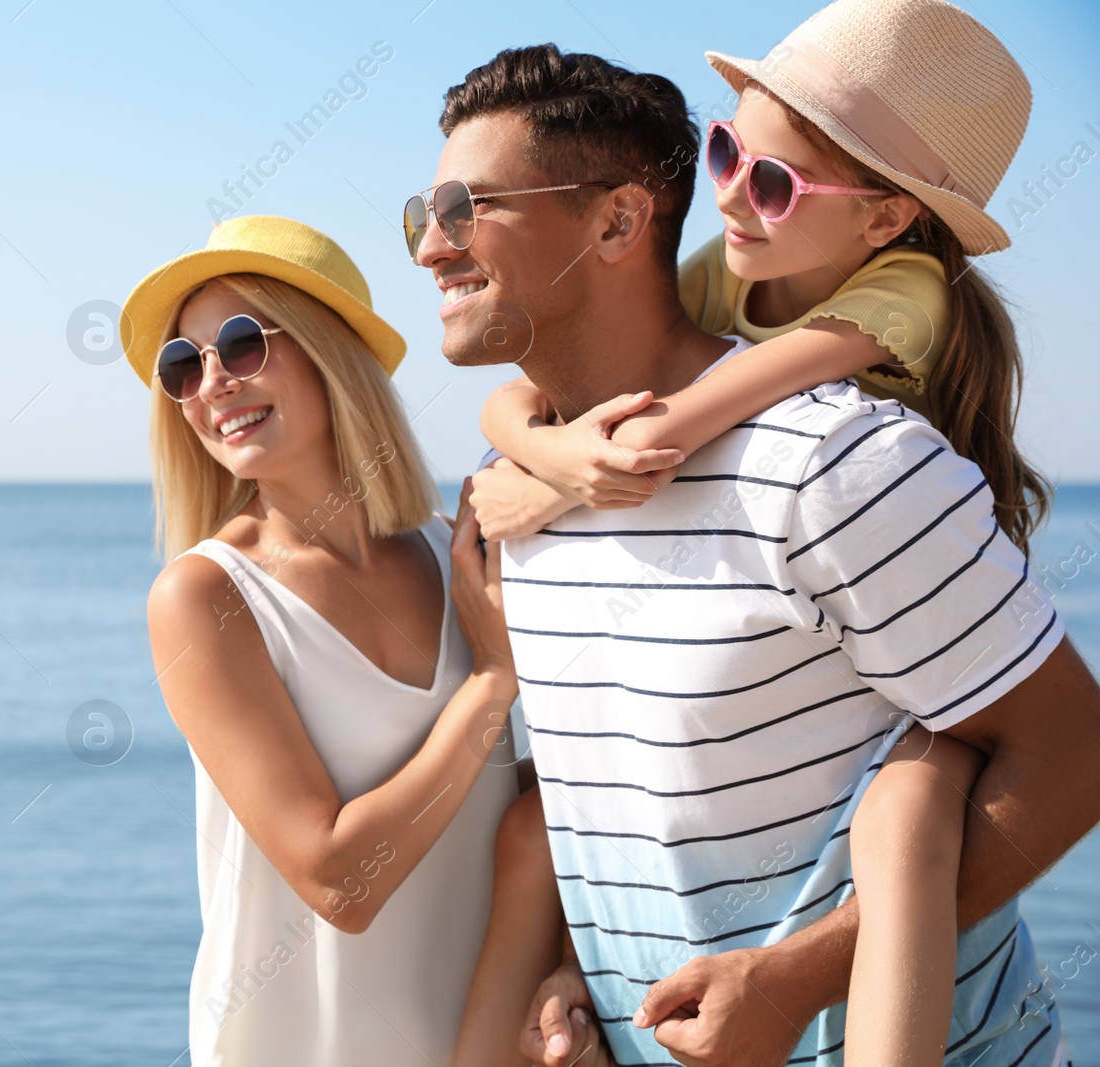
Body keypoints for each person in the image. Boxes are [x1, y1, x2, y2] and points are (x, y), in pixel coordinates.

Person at [409, 24, 1100, 1067]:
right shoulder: (529, 496)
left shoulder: (833, 461)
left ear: (617, 222)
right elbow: (607, 796)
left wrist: (792, 980)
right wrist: (574, 968)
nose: (429, 244)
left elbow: (1076, 759)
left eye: (470, 210)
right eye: (426, 211)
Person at [123, 214, 522, 1066]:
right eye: (183, 366)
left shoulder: (460, 554)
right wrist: (491, 682)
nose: (211, 383)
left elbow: (536, 813)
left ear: (328, 349)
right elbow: (340, 880)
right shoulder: (203, 598)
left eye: (239, 344)